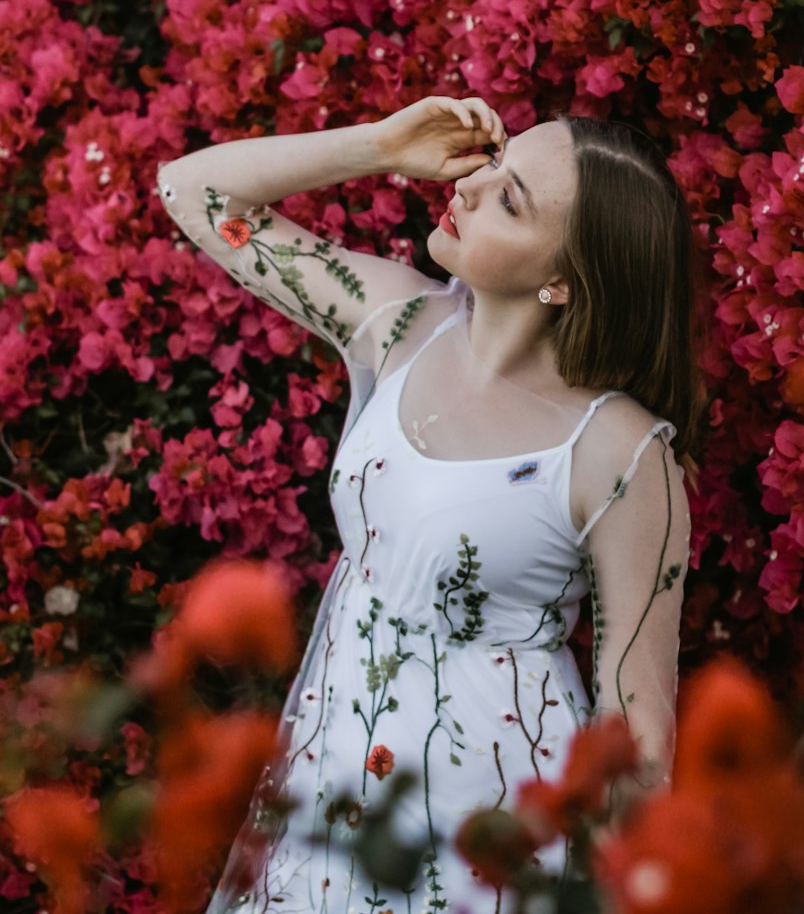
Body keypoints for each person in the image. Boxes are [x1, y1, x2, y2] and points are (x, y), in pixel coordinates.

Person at [155, 94, 701, 914]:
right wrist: (379, 144)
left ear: (564, 279)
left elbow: (640, 739)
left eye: (510, 198)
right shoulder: (399, 321)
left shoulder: (621, 454)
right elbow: (193, 193)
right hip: (333, 778)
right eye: (497, 162)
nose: (474, 187)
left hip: (489, 830)